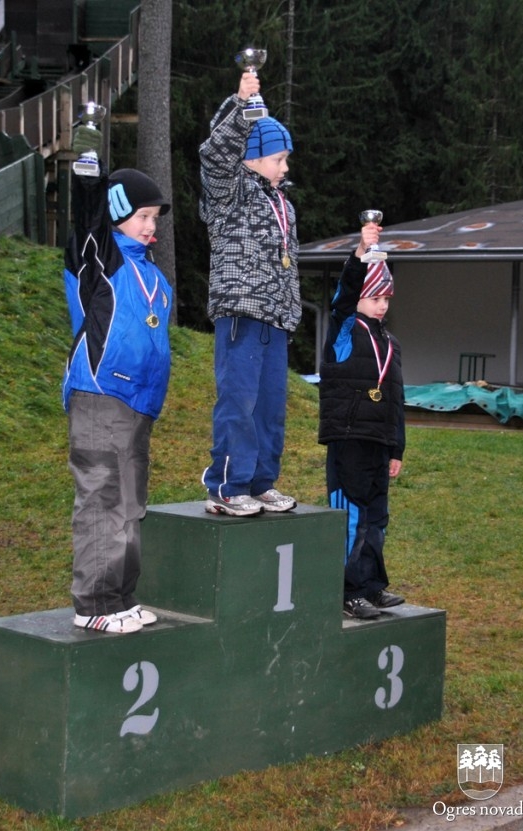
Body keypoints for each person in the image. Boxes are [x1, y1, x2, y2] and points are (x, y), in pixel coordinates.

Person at [62, 124, 172, 634]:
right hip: (100, 395)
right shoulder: (98, 262)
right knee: (102, 499)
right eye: (143, 217)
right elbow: (88, 219)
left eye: (154, 218)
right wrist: (89, 170)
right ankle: (95, 605)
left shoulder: (153, 275)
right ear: (118, 215)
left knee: (130, 505)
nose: (152, 227)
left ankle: (120, 597)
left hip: (136, 403)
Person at [198, 71, 302, 517]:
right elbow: (214, 153)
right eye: (279, 159)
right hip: (240, 313)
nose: (284, 167)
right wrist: (242, 106)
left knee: (270, 409)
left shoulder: (282, 202)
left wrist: (290, 310)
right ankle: (226, 486)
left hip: (276, 319)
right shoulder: (230, 192)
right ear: (252, 159)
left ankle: (260, 482)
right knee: (238, 402)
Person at [318, 222, 406, 620]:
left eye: (386, 297)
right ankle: (345, 590)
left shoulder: (391, 343)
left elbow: (396, 400)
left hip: (377, 440)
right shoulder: (344, 330)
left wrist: (396, 447)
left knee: (376, 519)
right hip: (349, 438)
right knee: (351, 517)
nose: (382, 305)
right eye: (374, 297)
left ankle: (371, 586)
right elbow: (344, 296)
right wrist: (359, 255)